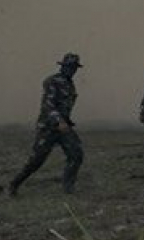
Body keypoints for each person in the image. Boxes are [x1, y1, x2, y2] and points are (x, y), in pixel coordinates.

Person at [7, 53, 86, 196]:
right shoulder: (52, 81)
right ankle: (13, 184)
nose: (72, 70)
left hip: (64, 127)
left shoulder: (69, 84)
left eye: (74, 67)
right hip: (49, 127)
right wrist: (59, 121)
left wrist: (65, 123)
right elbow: (48, 105)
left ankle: (68, 189)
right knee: (36, 161)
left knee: (76, 154)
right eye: (69, 67)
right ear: (63, 66)